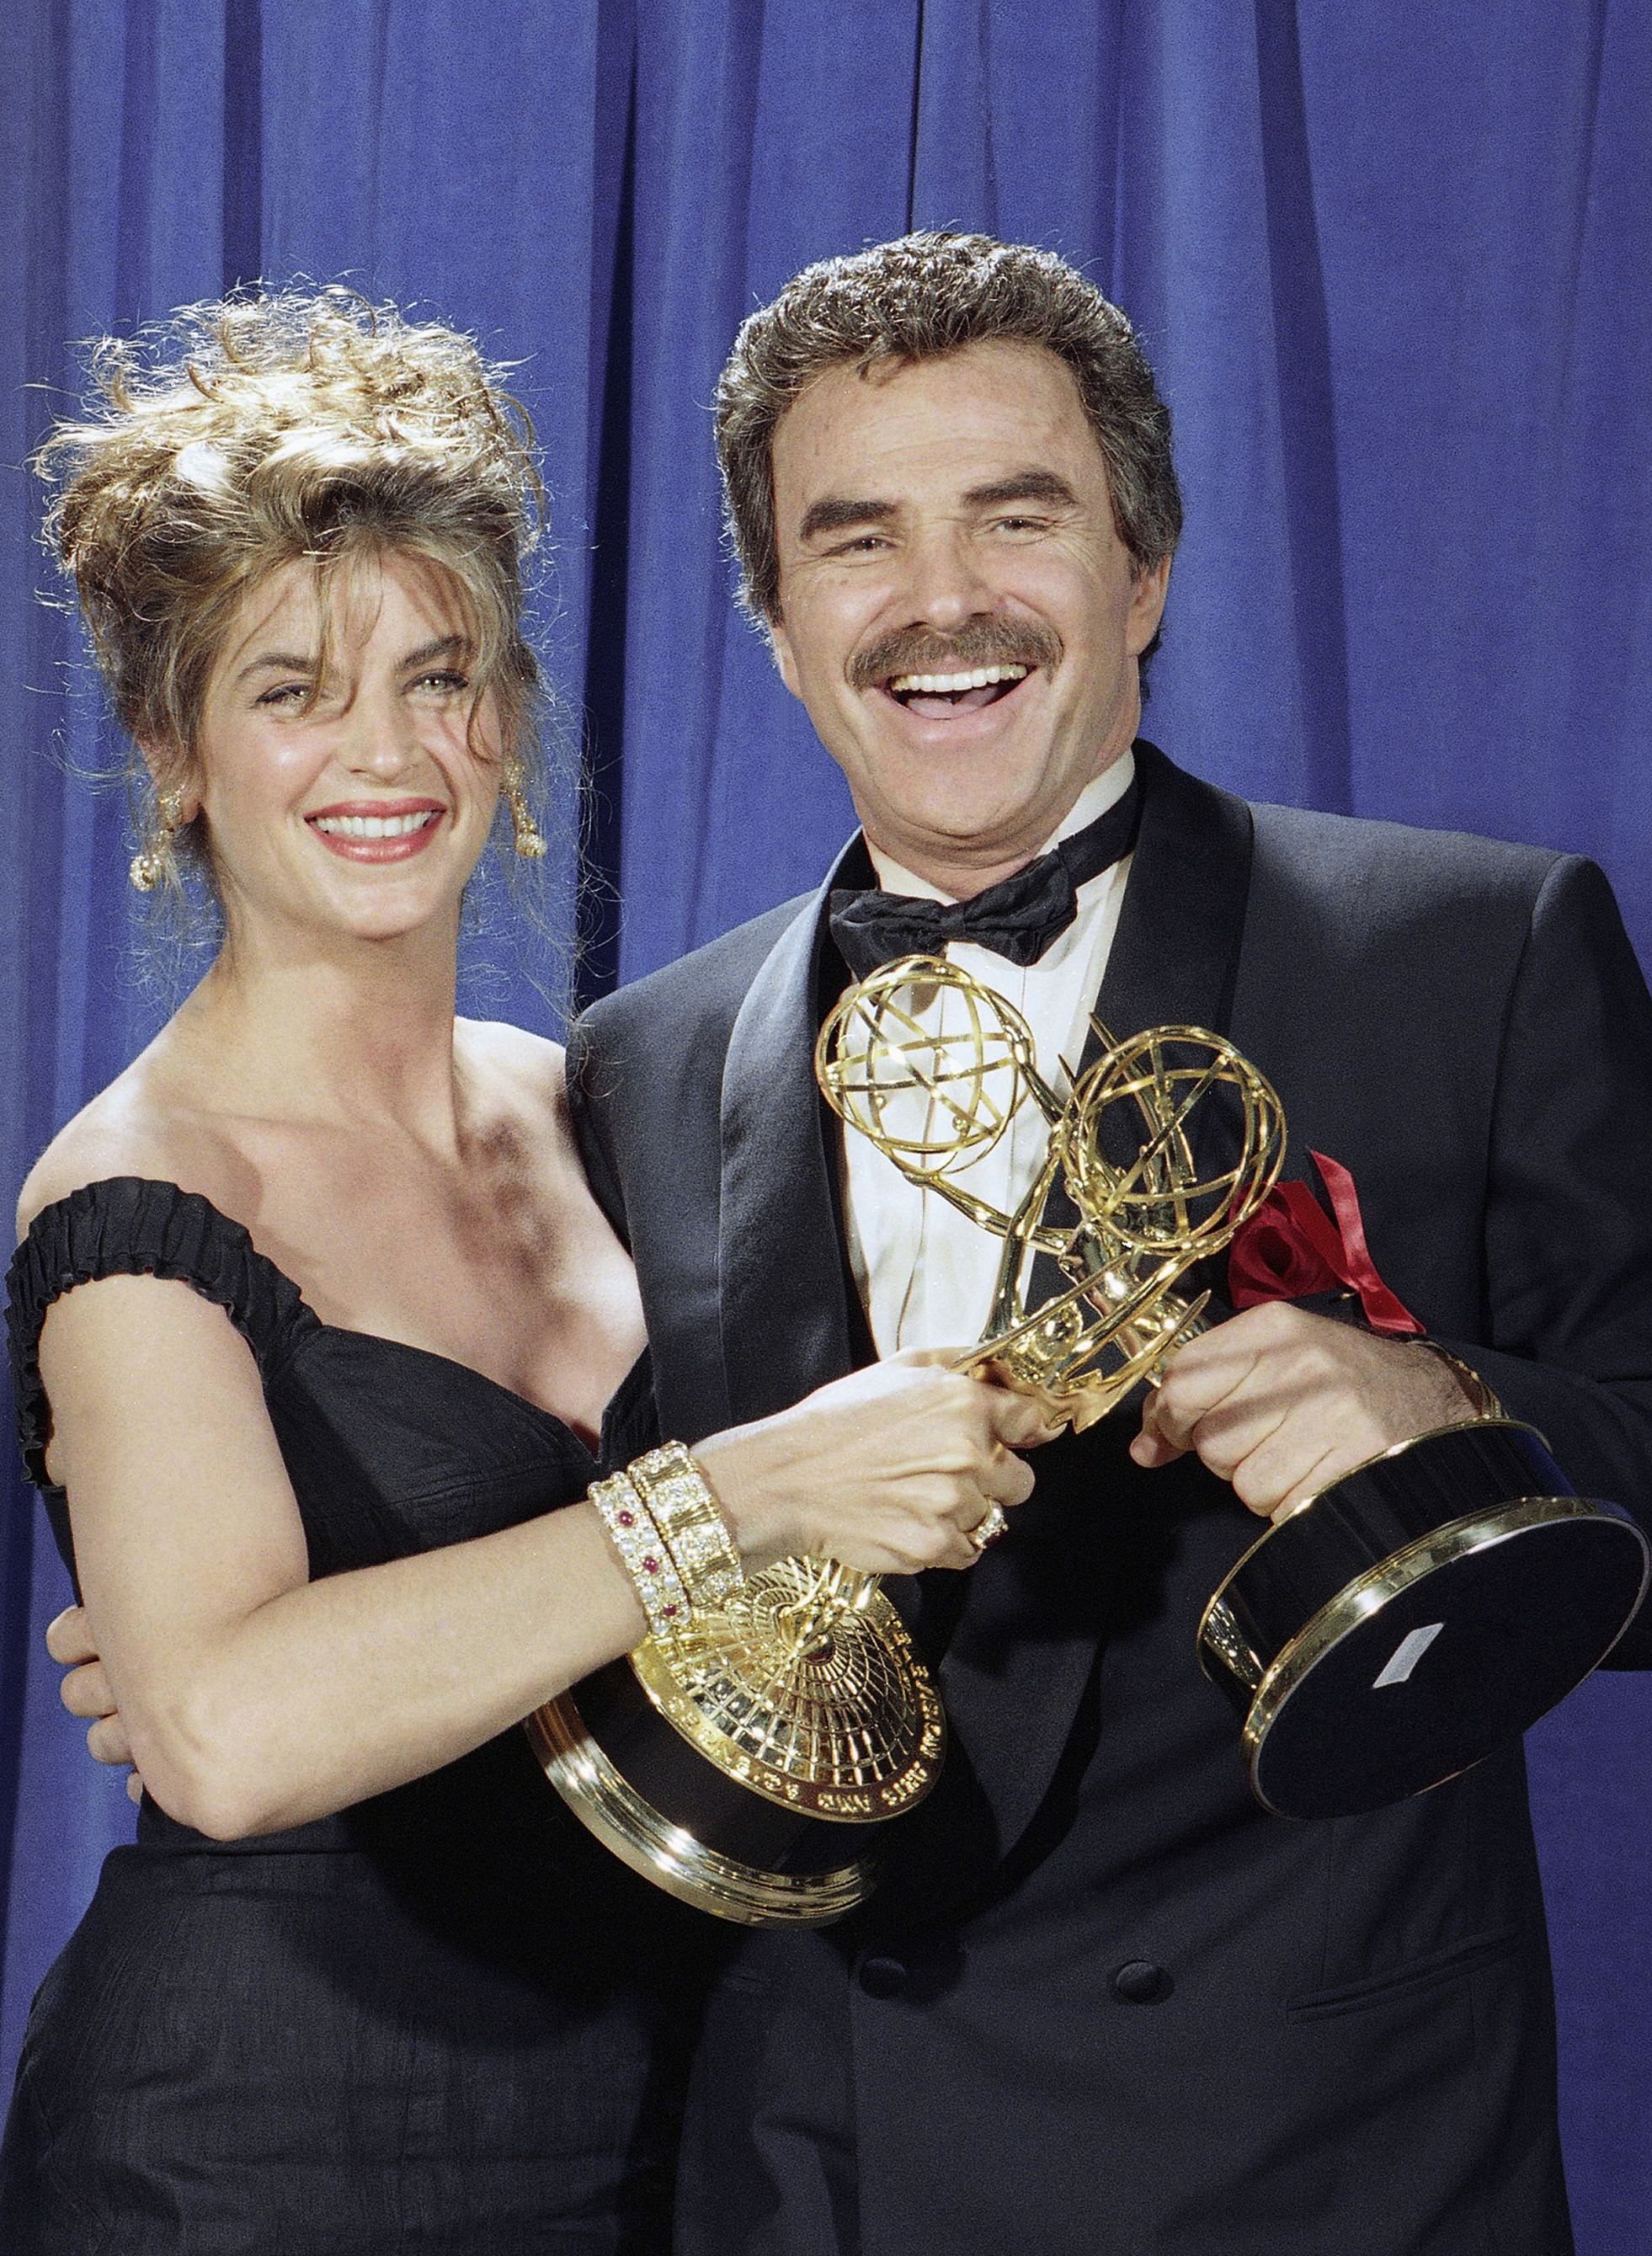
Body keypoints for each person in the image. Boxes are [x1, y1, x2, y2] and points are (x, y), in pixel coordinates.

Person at [557, 234, 1652, 2255]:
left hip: (1319, 2170)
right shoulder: (636, 1064)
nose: (940, 601)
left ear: (1140, 571)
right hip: (818, 2174)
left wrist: (1440, 1407)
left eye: (1018, 514)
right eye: (856, 538)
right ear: (777, 620)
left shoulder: (1470, 953)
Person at [3, 285, 1039, 2255]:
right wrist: (726, 1497)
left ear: (512, 717)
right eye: (292, 688)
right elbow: (223, 1736)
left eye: (439, 673)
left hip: (664, 2099)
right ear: (175, 753)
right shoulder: (140, 1188)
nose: (384, 750)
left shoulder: (601, 1101)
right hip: (254, 2146)